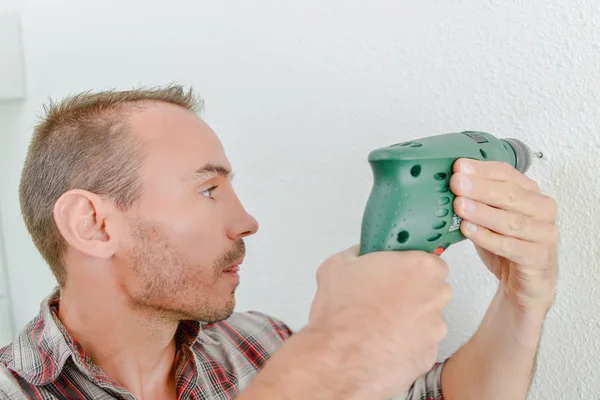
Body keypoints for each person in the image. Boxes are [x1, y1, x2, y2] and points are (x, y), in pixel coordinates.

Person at [0, 85, 558, 400]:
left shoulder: (260, 343)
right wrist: (329, 361)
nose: (247, 221)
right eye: (209, 189)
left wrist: (522, 298)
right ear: (93, 224)